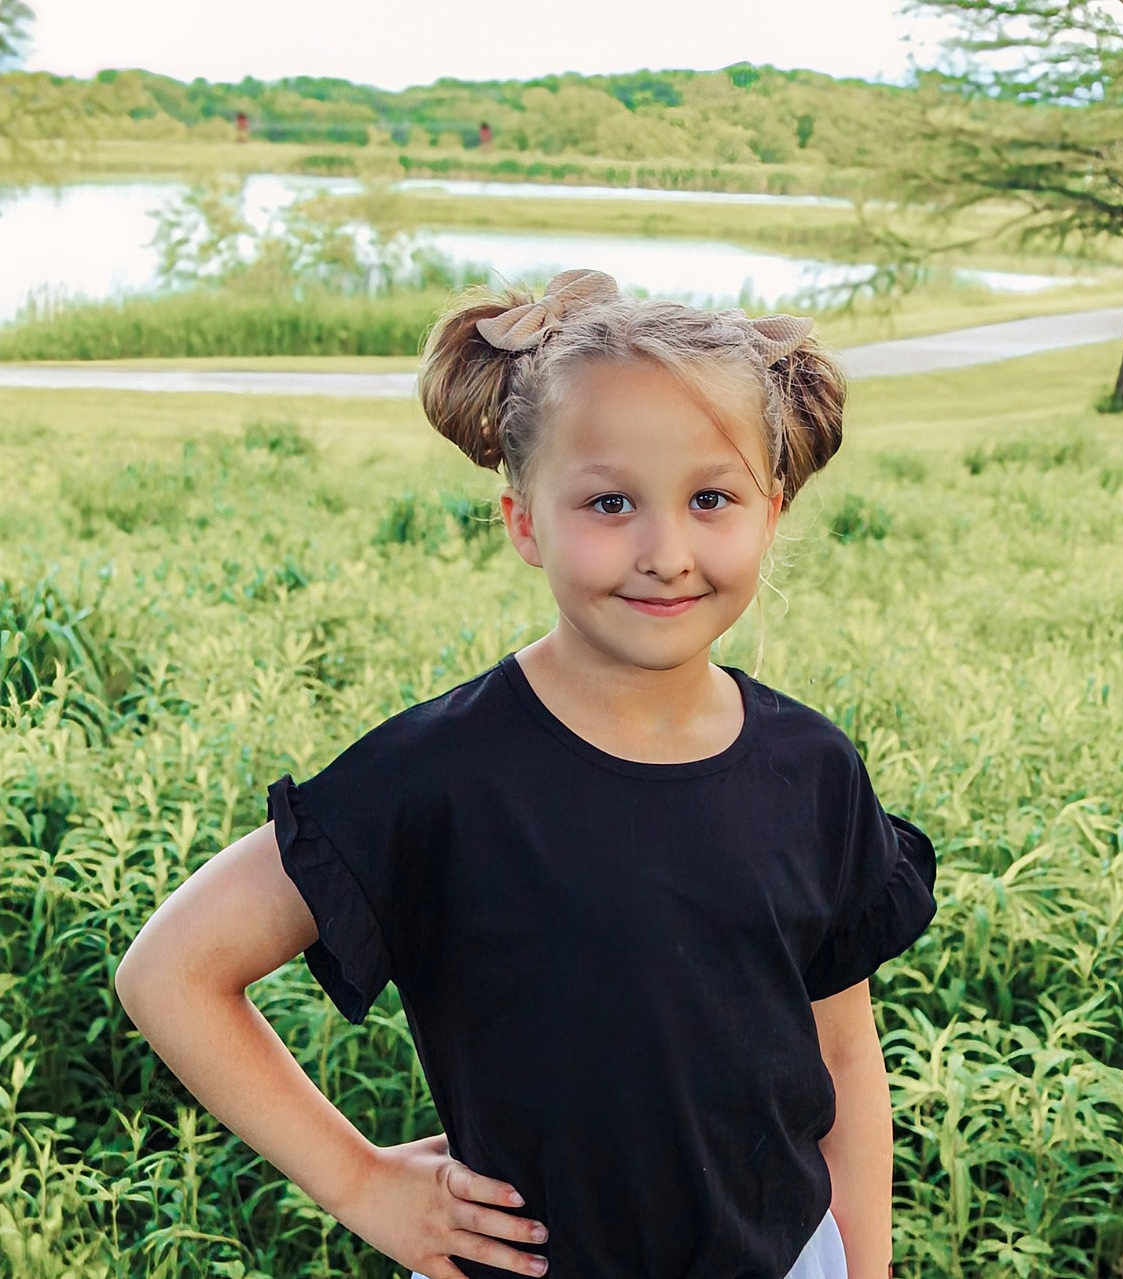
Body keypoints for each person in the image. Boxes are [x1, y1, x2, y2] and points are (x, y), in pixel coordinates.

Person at [113, 267, 937, 1279]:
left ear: (770, 510)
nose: (665, 551)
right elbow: (173, 972)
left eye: (709, 498)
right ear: (524, 521)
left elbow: (845, 1058)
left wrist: (867, 1265)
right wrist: (361, 1181)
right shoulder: (440, 775)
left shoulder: (810, 769)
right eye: (609, 502)